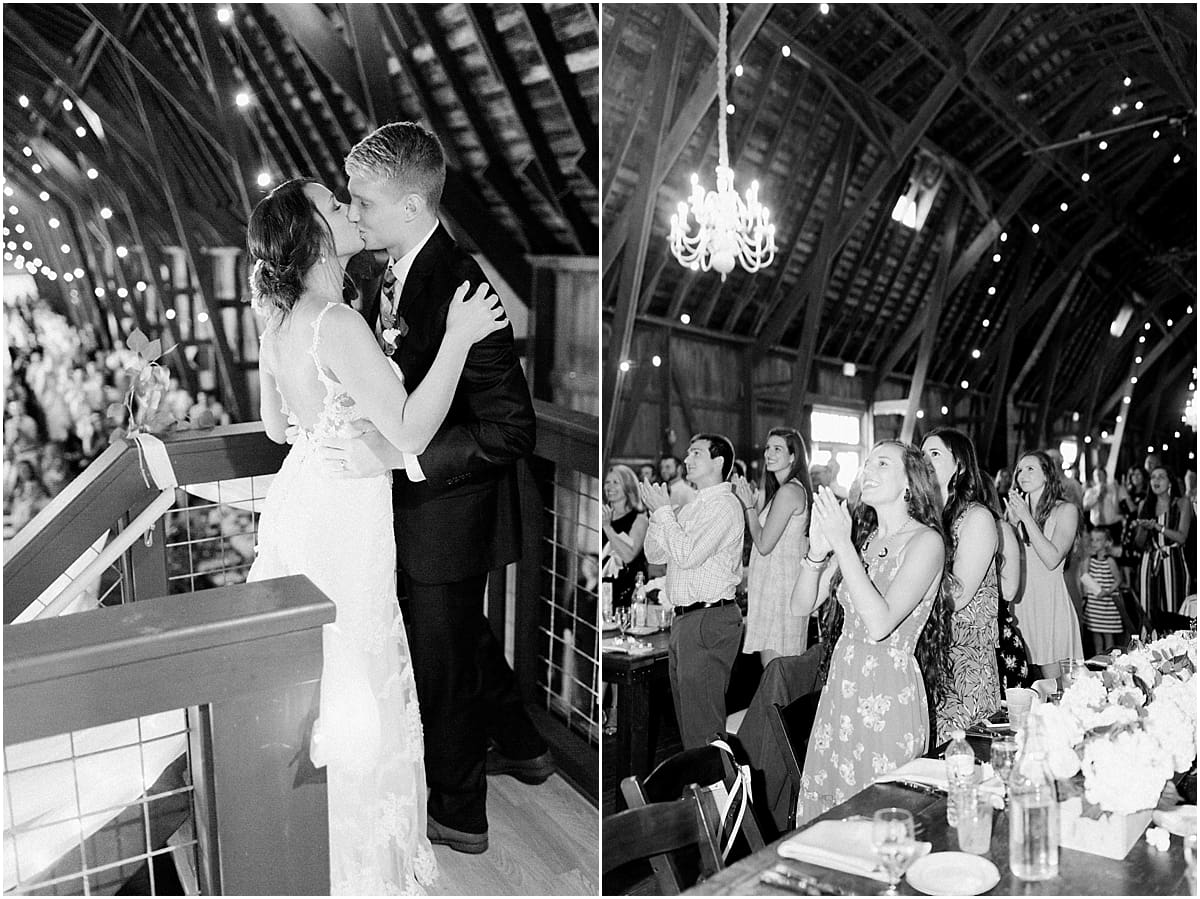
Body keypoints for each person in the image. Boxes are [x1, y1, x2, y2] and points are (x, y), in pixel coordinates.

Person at [244, 177, 506, 891]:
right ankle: (357, 855)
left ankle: (309, 838)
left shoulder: (280, 322)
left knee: (318, 672)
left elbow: (274, 428)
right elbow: (412, 430)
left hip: (301, 495)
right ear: (313, 235)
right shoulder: (338, 322)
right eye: (334, 205)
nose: (348, 210)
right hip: (347, 508)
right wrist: (457, 338)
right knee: (360, 658)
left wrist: (325, 418)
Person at [323, 122, 552, 855]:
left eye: (363, 203)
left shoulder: (466, 289)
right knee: (463, 638)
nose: (354, 215)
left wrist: (406, 462)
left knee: (444, 665)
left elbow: (514, 428)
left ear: (414, 207)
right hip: (403, 506)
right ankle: (521, 741)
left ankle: (461, 814)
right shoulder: (376, 272)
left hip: (451, 509)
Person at [791, 441, 952, 825]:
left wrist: (842, 544)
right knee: (833, 815)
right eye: (867, 464)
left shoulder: (926, 541)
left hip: (887, 693)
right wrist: (817, 552)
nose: (869, 470)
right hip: (843, 690)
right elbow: (800, 607)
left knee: (882, 818)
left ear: (909, 483)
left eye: (882, 463)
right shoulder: (864, 541)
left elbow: (881, 624)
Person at [642, 433, 745, 750]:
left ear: (719, 461)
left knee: (703, 728)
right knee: (690, 724)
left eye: (696, 453)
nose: (687, 459)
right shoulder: (691, 508)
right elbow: (654, 554)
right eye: (687, 454)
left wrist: (663, 514)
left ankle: (718, 794)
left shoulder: (725, 507)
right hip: (687, 621)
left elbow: (686, 555)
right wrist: (660, 515)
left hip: (708, 618)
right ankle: (703, 792)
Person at [921, 428, 1001, 744]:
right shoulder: (923, 519)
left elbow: (960, 593)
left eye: (935, 453)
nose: (924, 459)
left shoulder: (976, 518)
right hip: (928, 656)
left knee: (965, 756)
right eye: (921, 453)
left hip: (965, 661)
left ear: (960, 465)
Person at [733, 427, 812, 666]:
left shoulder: (789, 491)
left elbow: (764, 543)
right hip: (773, 588)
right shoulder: (783, 491)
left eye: (778, 449)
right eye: (768, 448)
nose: (769, 453)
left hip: (781, 591)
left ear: (793, 456)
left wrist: (748, 508)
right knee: (774, 672)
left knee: (777, 673)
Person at [1005, 451, 1084, 679]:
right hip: (1021, 602)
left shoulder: (1066, 511)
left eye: (1031, 468)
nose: (1022, 474)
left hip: (1049, 602)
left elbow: (1052, 559)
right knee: (1024, 679)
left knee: (1057, 681)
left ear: (1047, 475)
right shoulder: (1016, 512)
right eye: (1020, 469)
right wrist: (1010, 524)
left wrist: (1026, 518)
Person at [1134, 466, 1193, 632]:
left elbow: (1182, 537)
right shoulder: (1144, 505)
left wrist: (1158, 527)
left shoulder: (1182, 503)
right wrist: (1145, 528)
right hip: (1149, 560)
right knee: (1148, 608)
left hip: (1173, 560)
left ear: (1170, 482)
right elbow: (1138, 543)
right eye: (1153, 477)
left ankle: (1177, 651)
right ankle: (1148, 650)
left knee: (1173, 607)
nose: (1156, 480)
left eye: (1161, 477)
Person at [601, 463, 648, 609]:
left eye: (616, 482)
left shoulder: (639, 519)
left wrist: (607, 528)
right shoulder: (603, 515)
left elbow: (629, 556)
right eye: (607, 482)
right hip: (604, 586)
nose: (610, 487)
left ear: (628, 486)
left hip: (628, 589)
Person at [1079, 525, 1123, 654]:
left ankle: (1109, 656)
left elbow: (1118, 579)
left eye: (1098, 540)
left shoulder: (1110, 561)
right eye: (1092, 540)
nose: (1094, 543)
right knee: (1096, 632)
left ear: (1107, 542)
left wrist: (1108, 591)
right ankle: (1098, 656)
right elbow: (1085, 576)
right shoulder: (1089, 560)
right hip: (1095, 603)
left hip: (1107, 604)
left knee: (1108, 632)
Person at [1082, 467, 1127, 544]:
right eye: (1096, 475)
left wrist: (1116, 491)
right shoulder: (1090, 491)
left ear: (1105, 476)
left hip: (1113, 526)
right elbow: (1085, 508)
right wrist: (1097, 497)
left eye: (1100, 474)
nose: (1098, 477)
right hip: (1097, 527)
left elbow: (1120, 508)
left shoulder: (1114, 488)